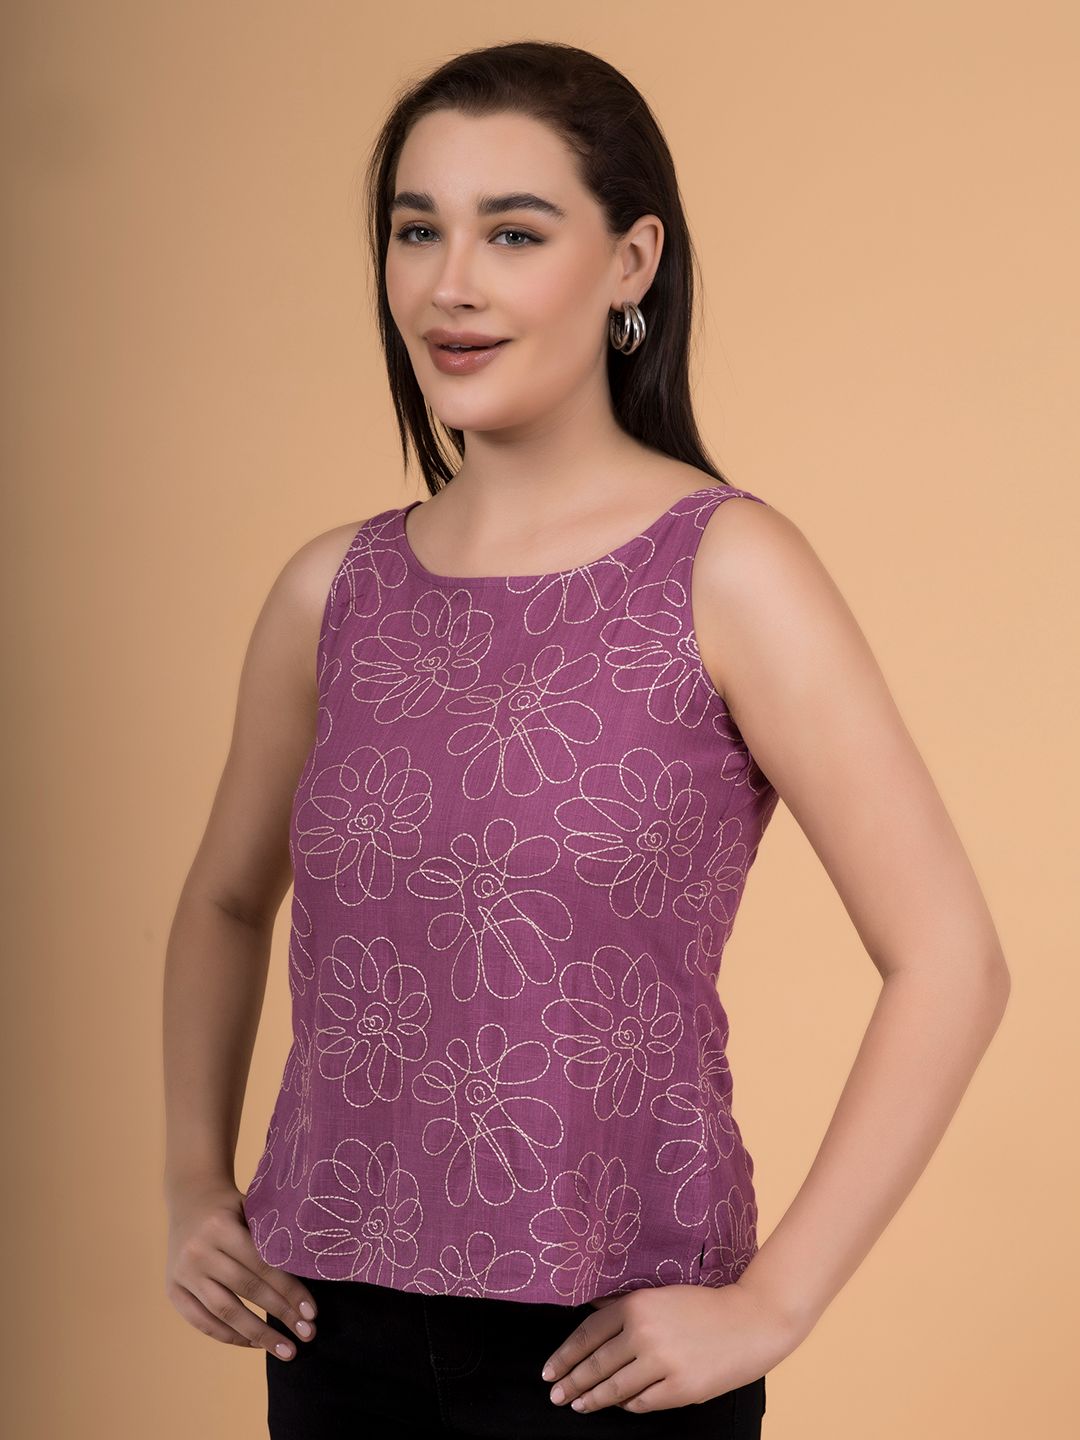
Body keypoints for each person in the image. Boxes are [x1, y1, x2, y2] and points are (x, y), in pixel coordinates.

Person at [162, 40, 1011, 1439]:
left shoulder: (728, 570)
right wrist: (196, 1183)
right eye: (417, 230)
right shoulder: (331, 591)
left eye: (513, 232)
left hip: (610, 1355)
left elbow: (952, 960)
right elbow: (225, 899)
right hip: (327, 1332)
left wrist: (777, 1299)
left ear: (631, 262)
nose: (451, 283)